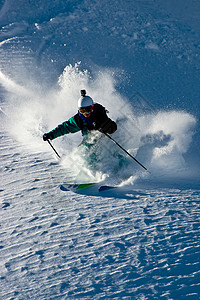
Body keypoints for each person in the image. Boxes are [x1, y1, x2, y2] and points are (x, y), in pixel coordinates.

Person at [43, 90, 117, 142]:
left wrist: (102, 125)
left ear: (92, 107)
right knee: (81, 151)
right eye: (82, 111)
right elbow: (64, 128)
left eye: (88, 109)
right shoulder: (79, 120)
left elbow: (113, 128)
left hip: (103, 140)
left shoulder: (99, 114)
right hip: (89, 142)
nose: (85, 113)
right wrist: (50, 135)